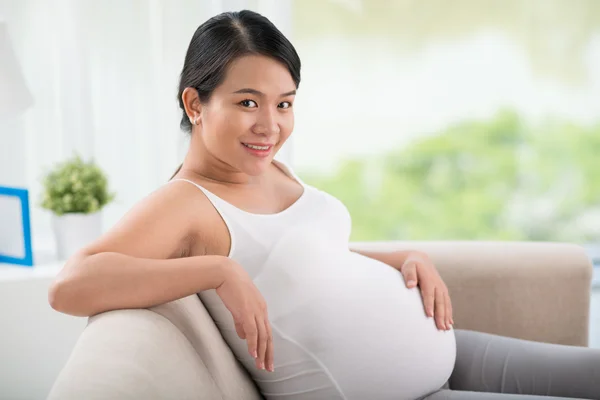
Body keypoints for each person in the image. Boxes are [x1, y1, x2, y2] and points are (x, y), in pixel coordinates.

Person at [48, 10, 600, 400]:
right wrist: (219, 270)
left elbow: (302, 261)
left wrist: (402, 257)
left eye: (284, 103)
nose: (271, 126)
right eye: (247, 103)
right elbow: (71, 285)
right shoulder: (185, 202)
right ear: (195, 102)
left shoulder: (263, 166)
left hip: (454, 350)